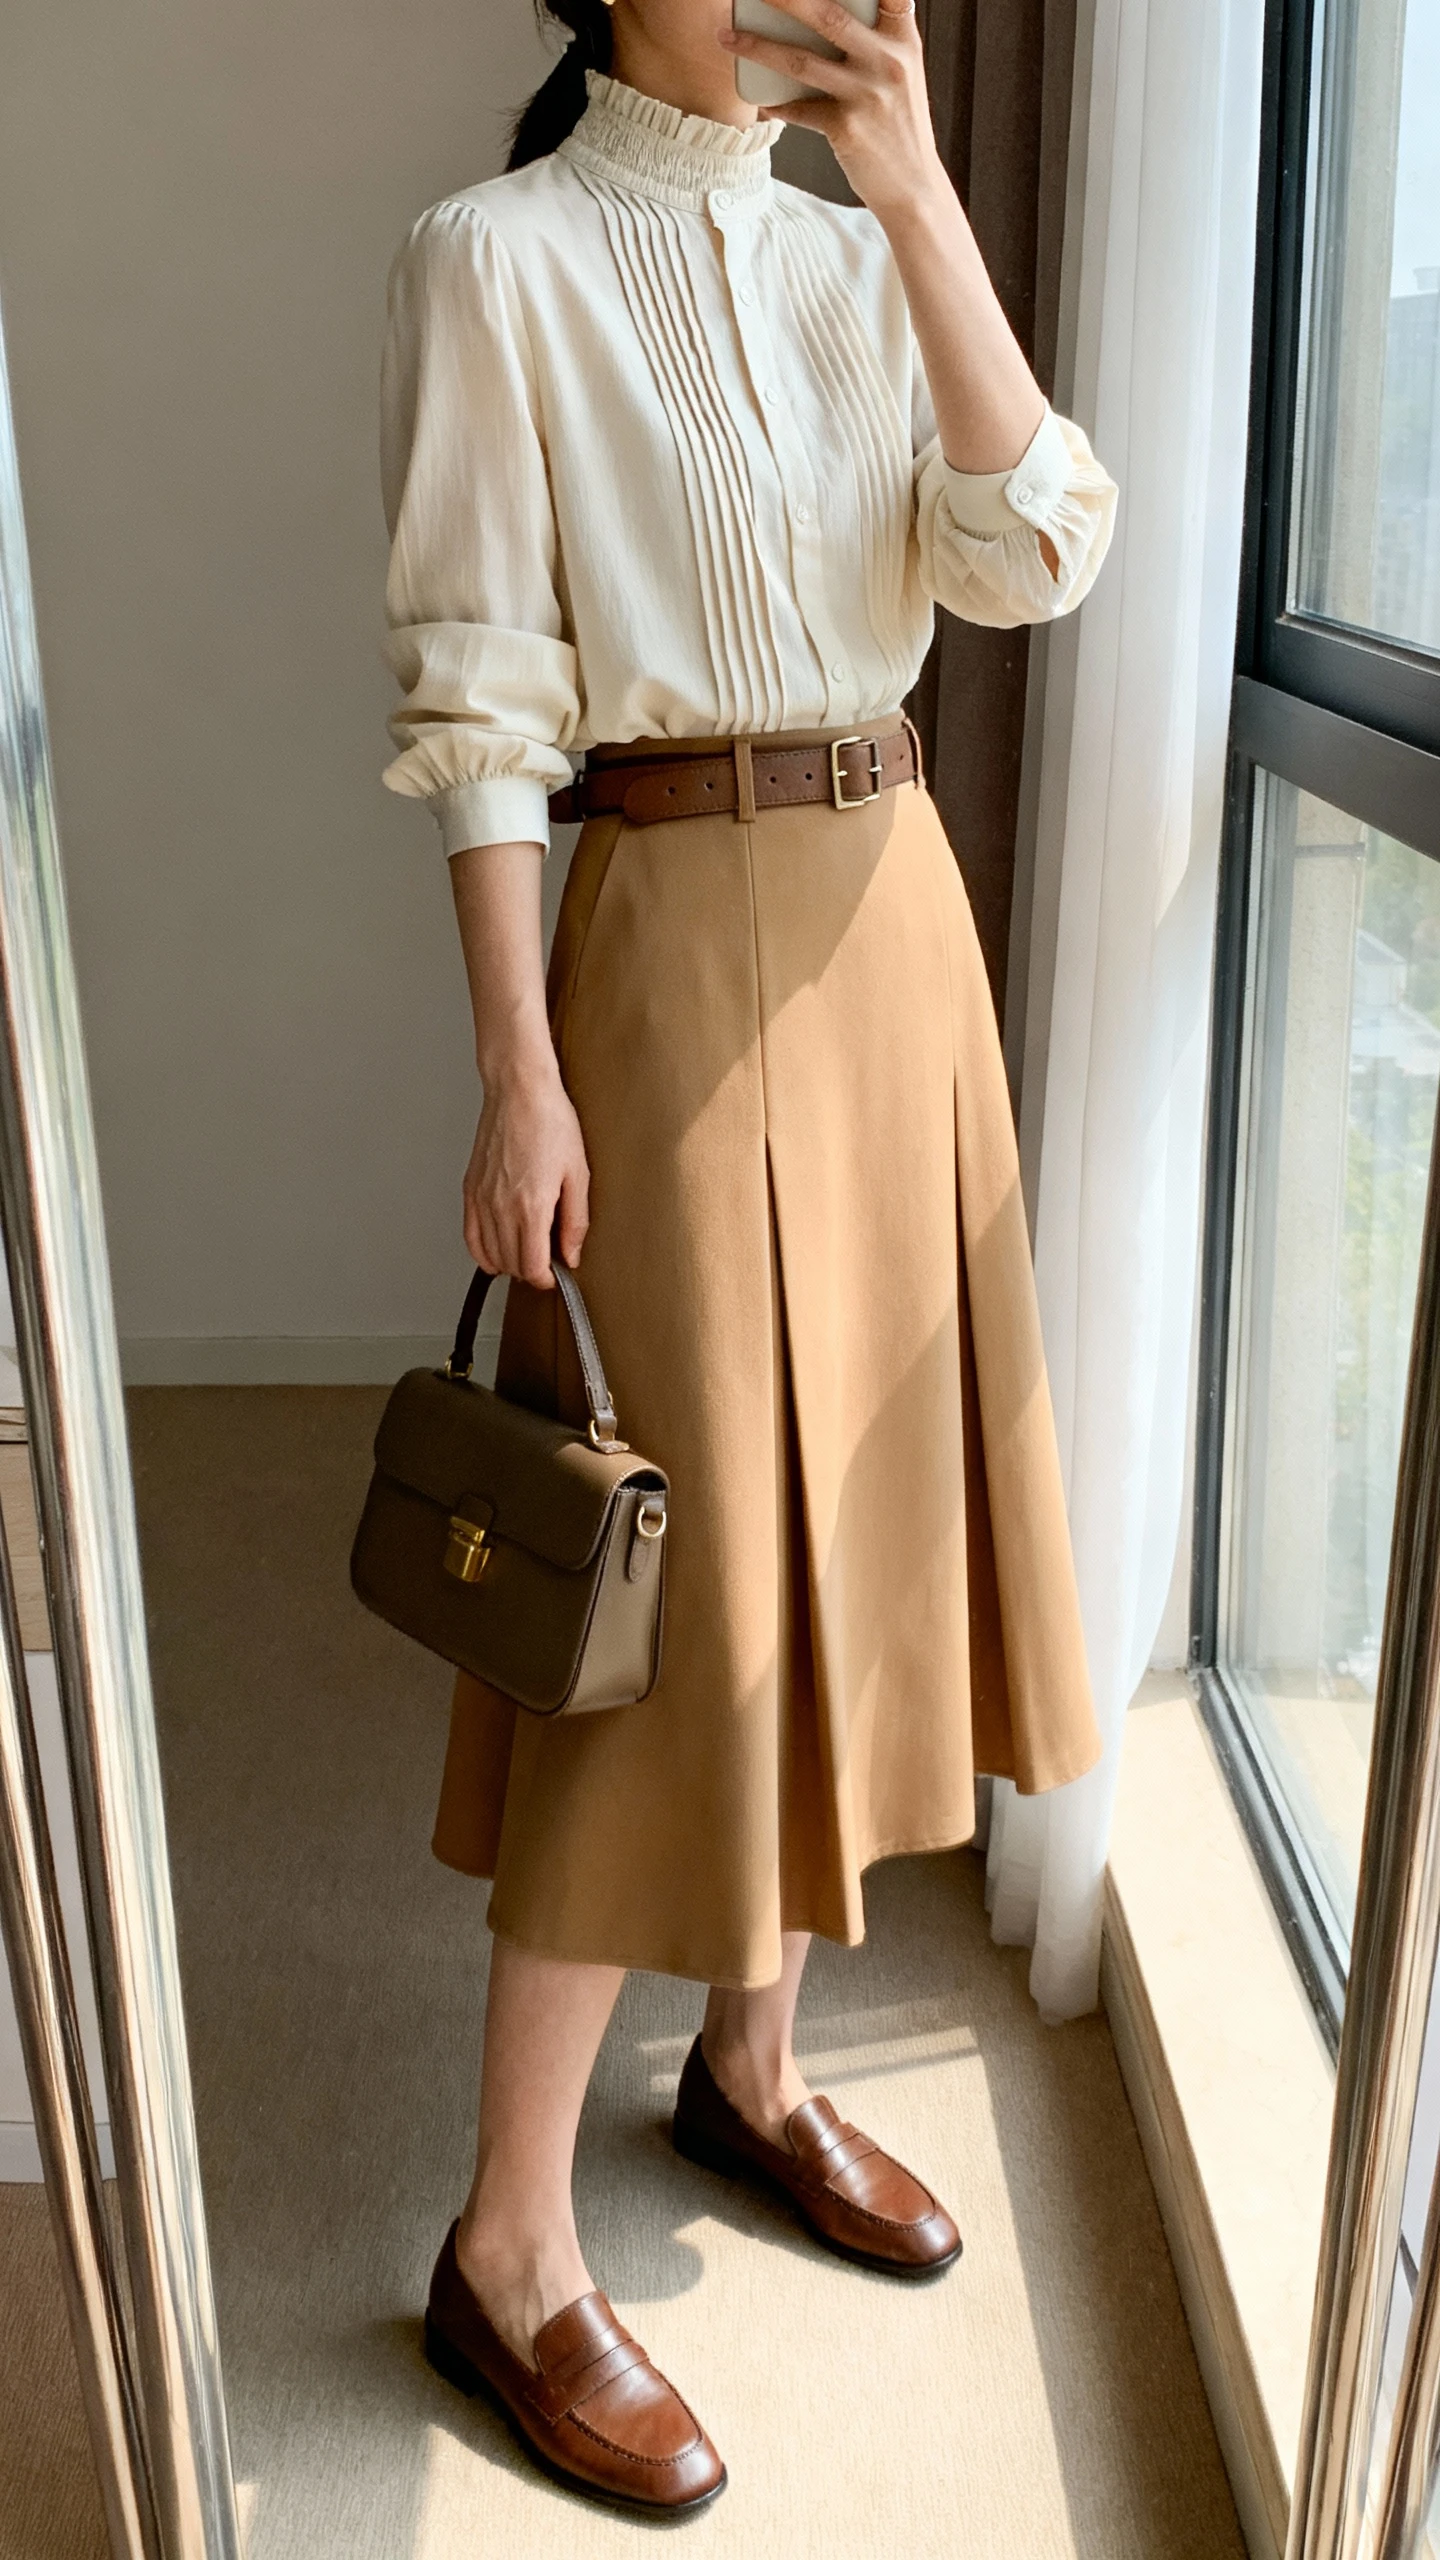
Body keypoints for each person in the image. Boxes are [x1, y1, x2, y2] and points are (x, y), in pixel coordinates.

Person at [380, 0, 1116, 2514]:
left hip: (896, 929)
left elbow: (1039, 550)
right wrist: (517, 1064)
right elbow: (480, 692)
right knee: (657, 1603)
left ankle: (757, 2068)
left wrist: (916, 195)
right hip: (668, 939)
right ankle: (505, 2245)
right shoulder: (493, 261)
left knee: (842, 1552)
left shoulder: (850, 258)